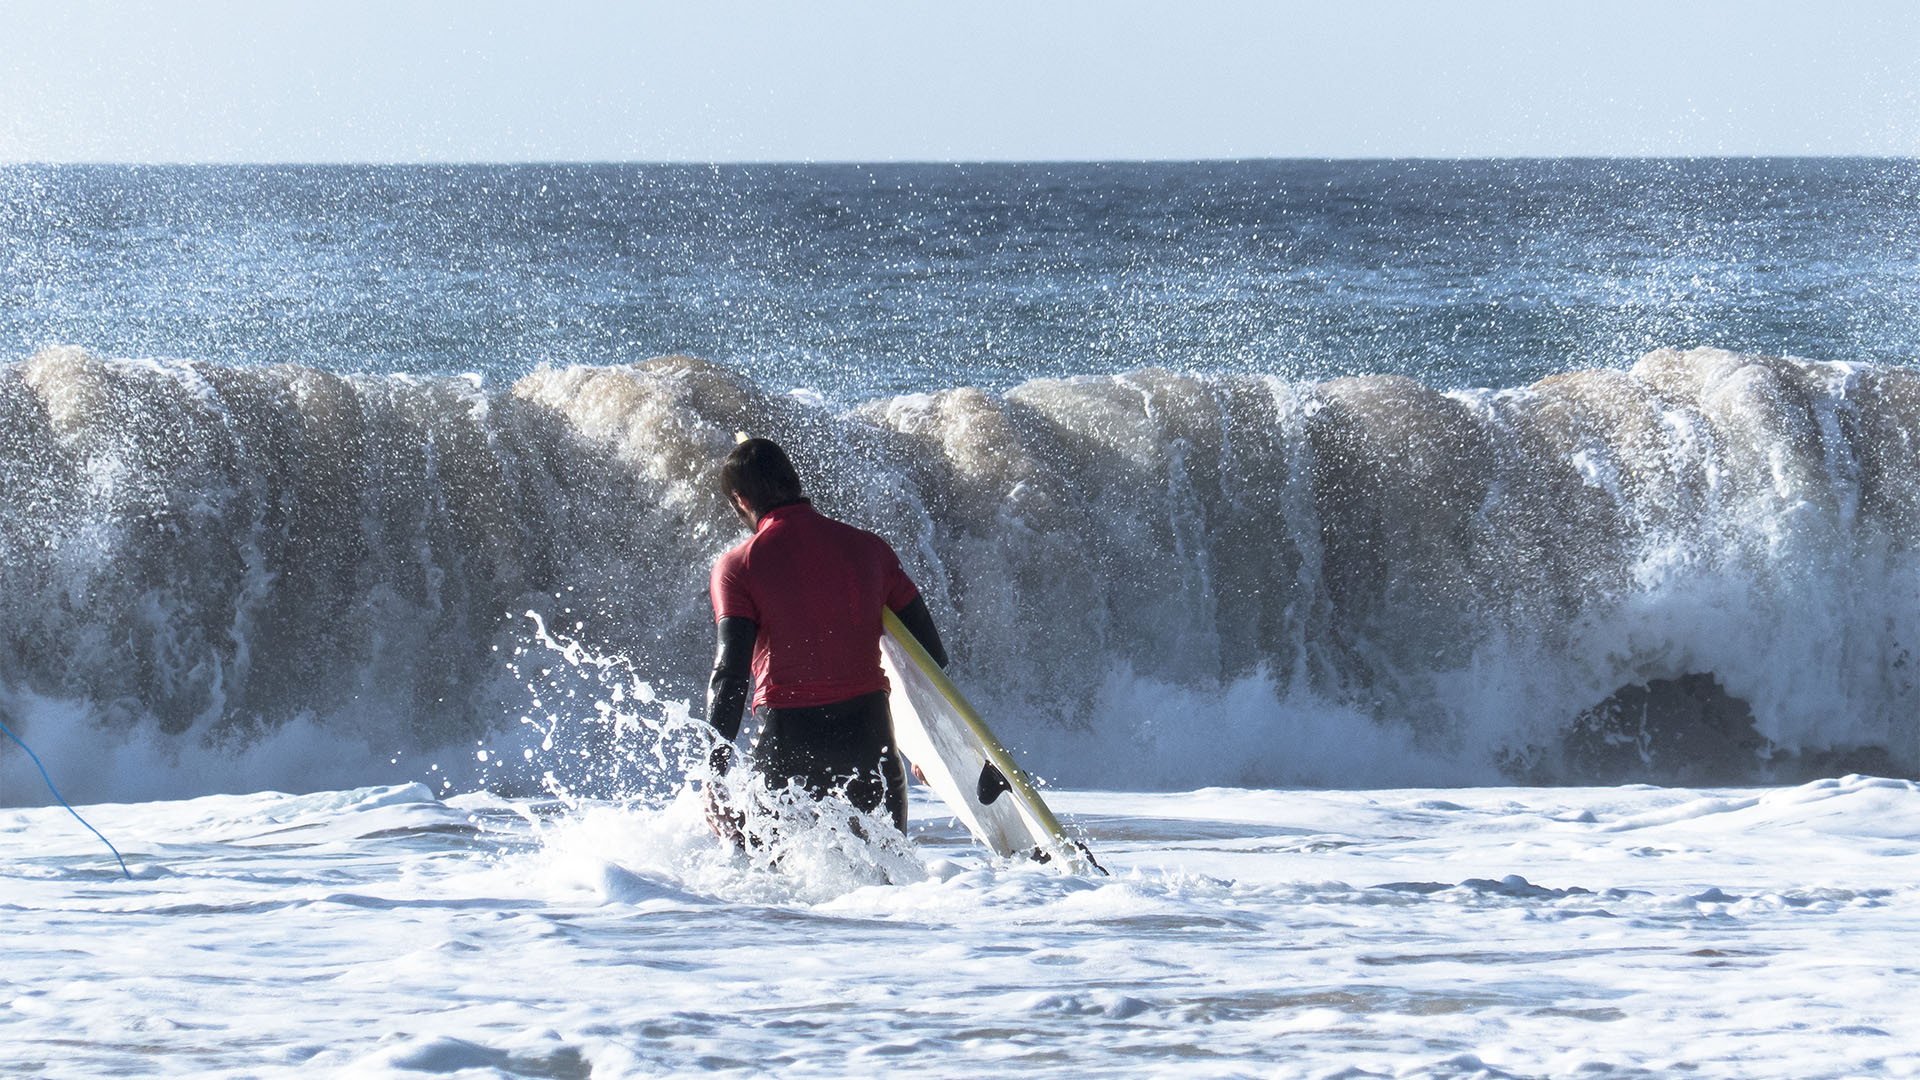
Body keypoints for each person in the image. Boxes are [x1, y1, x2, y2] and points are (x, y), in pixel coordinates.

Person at [702, 438, 947, 840]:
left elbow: (730, 675)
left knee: (775, 891)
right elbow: (929, 657)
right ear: (794, 482)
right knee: (891, 889)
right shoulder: (870, 550)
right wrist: (928, 747)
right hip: (872, 744)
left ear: (740, 500)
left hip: (788, 745)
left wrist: (714, 774)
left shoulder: (737, 566)